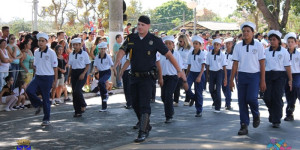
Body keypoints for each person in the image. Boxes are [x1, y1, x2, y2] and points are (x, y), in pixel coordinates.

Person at [114, 15, 187, 143]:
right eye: (139, 24)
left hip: (147, 78)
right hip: (134, 76)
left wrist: (179, 70)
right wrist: (118, 60)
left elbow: (169, 55)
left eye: (143, 25)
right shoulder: (131, 38)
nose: (140, 27)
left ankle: (143, 131)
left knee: (144, 104)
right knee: (135, 103)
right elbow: (122, 49)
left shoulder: (155, 40)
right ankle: (145, 123)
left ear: (148, 26)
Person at [230, 22, 266, 135]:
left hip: (254, 76)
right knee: (242, 101)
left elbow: (262, 64)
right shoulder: (238, 45)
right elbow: (235, 64)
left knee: (251, 99)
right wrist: (231, 80)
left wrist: (263, 80)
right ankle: (244, 125)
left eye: (248, 31)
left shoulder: (258, 45)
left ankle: (256, 114)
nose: (245, 33)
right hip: (242, 75)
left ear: (253, 33)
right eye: (244, 31)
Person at [26, 33, 58, 126]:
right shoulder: (36, 52)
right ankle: (38, 104)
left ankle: (46, 119)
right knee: (29, 90)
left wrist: (55, 81)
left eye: (42, 41)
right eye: (39, 41)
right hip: (38, 76)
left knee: (46, 98)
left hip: (48, 78)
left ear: (46, 42)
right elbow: (35, 65)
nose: (40, 43)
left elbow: (55, 67)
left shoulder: (51, 52)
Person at [264, 30, 292, 128]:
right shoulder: (266, 51)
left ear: (279, 41)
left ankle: (276, 119)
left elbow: (287, 66)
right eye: (270, 40)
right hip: (268, 75)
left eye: (274, 39)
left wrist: (290, 79)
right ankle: (272, 112)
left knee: (277, 97)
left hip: (280, 76)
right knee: (267, 97)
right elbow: (263, 65)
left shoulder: (284, 52)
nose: (272, 41)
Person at [160, 36, 183, 123]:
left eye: (170, 43)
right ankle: (171, 109)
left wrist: (179, 74)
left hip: (173, 77)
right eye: (166, 44)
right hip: (163, 77)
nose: (168, 45)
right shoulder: (160, 54)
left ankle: (168, 116)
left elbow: (180, 66)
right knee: (163, 97)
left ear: (173, 45)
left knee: (168, 95)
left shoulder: (176, 54)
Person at [68, 38, 90, 117]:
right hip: (74, 73)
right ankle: (77, 111)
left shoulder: (84, 53)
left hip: (81, 72)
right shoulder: (71, 54)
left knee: (77, 90)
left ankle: (83, 104)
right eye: (74, 45)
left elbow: (88, 64)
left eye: (77, 45)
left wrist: (83, 73)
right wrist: (69, 76)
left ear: (80, 45)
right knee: (74, 92)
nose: (75, 46)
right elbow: (71, 66)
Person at [185, 36, 206, 117]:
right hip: (191, 73)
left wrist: (199, 76)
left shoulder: (202, 53)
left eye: (196, 44)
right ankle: (193, 97)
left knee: (198, 92)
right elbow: (189, 65)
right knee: (186, 86)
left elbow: (203, 66)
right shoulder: (190, 53)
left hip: (199, 73)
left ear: (200, 45)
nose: (195, 45)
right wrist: (186, 76)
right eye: (194, 43)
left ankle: (199, 110)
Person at [206, 38, 227, 113]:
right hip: (211, 72)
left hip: (219, 72)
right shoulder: (209, 54)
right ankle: (215, 100)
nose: (216, 46)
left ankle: (218, 107)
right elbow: (207, 65)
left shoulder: (222, 54)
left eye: (217, 44)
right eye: (215, 44)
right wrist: (207, 75)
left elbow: (224, 66)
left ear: (220, 46)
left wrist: (225, 78)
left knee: (218, 89)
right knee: (211, 89)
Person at [284, 32, 300, 121]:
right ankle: (289, 114)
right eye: (288, 42)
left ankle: (291, 106)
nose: (290, 43)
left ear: (295, 43)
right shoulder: (284, 53)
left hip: (296, 74)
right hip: (286, 75)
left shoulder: (298, 54)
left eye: (292, 42)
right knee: (288, 93)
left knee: (295, 87)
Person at [94, 42, 114, 112]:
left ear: (105, 49)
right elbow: (95, 66)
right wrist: (95, 72)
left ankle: (106, 94)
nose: (102, 50)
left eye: (104, 49)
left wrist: (115, 72)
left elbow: (112, 65)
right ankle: (104, 107)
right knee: (101, 86)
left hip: (107, 72)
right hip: (101, 72)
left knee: (101, 82)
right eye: (101, 49)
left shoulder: (108, 56)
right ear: (99, 49)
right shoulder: (97, 57)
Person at [176, 34, 193, 106]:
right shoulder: (178, 48)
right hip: (179, 68)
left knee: (186, 84)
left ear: (185, 41)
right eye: (179, 41)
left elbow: (191, 60)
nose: (179, 43)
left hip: (186, 68)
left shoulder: (190, 49)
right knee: (177, 84)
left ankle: (188, 98)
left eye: (181, 41)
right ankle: (175, 100)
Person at [222, 37, 234, 110]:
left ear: (232, 44)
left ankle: (228, 103)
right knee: (223, 87)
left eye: (229, 43)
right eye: (226, 43)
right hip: (223, 71)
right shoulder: (222, 53)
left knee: (228, 88)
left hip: (231, 71)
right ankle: (228, 97)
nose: (228, 45)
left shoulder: (234, 54)